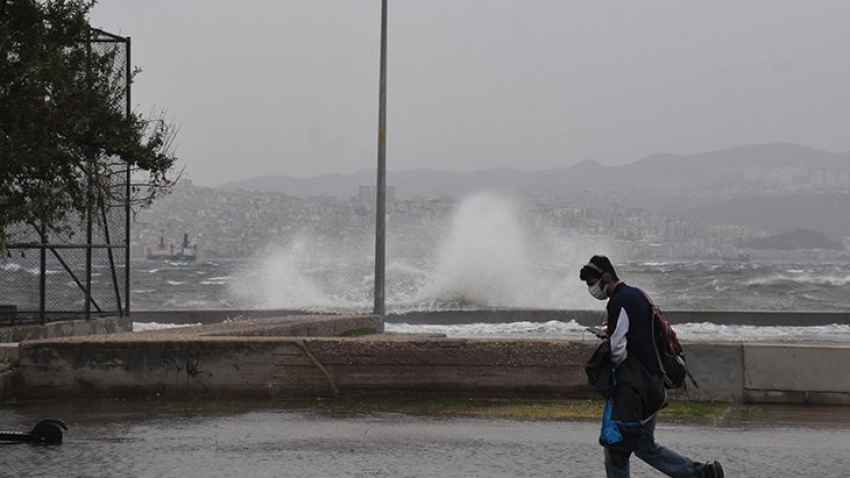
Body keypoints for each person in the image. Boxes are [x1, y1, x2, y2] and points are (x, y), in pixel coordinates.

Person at [580, 254, 724, 478]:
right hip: (652, 383)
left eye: (592, 283)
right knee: (644, 445)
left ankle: (700, 474)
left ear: (605, 277)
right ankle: (702, 474)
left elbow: (619, 347)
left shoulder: (619, 301)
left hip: (634, 388)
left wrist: (614, 369)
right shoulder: (637, 294)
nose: (592, 290)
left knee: (616, 449)